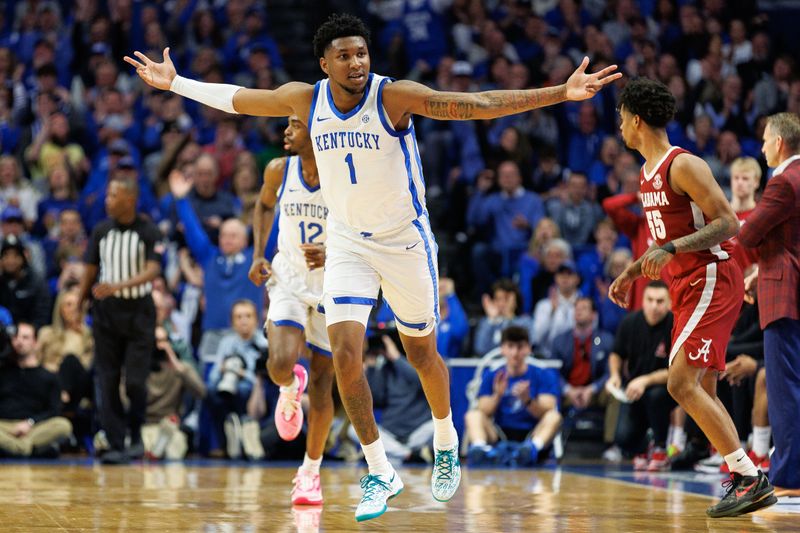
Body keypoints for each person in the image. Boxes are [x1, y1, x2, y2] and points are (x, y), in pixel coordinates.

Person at [125, 13, 619, 520]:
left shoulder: (393, 96)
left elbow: (475, 105)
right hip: (347, 243)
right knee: (343, 354)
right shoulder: (305, 99)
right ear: (325, 63)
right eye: (344, 55)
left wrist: (560, 92)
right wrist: (177, 83)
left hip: (404, 241)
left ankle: (446, 437)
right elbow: (240, 99)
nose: (357, 62)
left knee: (422, 353)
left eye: (361, 53)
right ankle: (379, 469)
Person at [609, 78, 774, 517]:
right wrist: (629, 272)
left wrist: (671, 250)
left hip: (712, 276)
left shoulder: (682, 165)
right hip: (686, 284)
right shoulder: (646, 175)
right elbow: (666, 239)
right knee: (702, 387)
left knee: (680, 382)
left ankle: (748, 477)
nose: (619, 126)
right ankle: (741, 474)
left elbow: (729, 224)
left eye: (622, 118)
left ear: (637, 120)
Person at [247, 115, 335, 506]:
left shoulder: (343, 176)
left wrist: (333, 255)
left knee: (322, 385)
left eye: (295, 125)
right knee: (280, 362)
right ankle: (287, 385)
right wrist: (257, 254)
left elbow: (369, 230)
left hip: (334, 286)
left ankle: (309, 474)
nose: (286, 131)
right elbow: (263, 206)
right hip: (288, 276)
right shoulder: (279, 169)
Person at [78, 176, 162, 465]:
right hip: (106, 314)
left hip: (139, 312)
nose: (107, 200)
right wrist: (79, 302)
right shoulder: (101, 231)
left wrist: (120, 284)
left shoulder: (148, 230)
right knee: (107, 380)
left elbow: (152, 270)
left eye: (113, 195)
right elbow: (90, 270)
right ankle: (116, 443)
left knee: (136, 382)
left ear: (129, 199)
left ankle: (136, 433)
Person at [739, 112, 800, 497]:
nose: (761, 148)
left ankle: (789, 477)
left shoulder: (783, 182)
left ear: (779, 143)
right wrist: (762, 269)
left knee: (785, 389)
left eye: (764, 140)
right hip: (788, 284)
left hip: (785, 296)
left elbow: (748, 233)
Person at [465, 326, 562, 466]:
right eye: (510, 347)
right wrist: (497, 395)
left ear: (528, 349)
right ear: (502, 349)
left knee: (554, 416)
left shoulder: (542, 374)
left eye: (520, 347)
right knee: (472, 415)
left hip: (532, 432)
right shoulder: (492, 375)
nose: (515, 353)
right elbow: (483, 410)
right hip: (499, 433)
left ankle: (531, 450)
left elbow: (548, 409)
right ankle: (480, 449)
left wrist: (527, 400)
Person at [0, 323, 72, 458]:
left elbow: (54, 410)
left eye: (25, 337)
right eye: (15, 337)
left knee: (63, 425)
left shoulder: (49, 377)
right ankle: (27, 449)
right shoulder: (3, 371)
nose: (19, 342)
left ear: (35, 342)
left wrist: (30, 422)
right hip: (3, 426)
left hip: (33, 428)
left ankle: (12, 448)